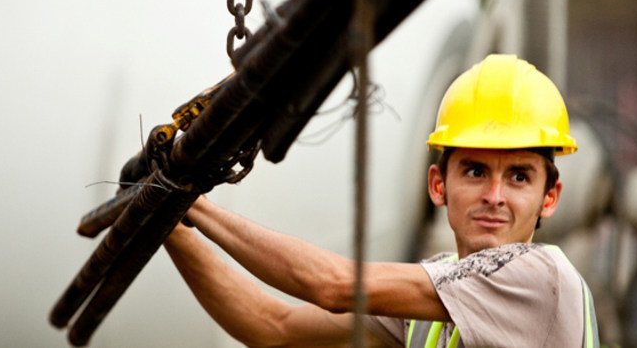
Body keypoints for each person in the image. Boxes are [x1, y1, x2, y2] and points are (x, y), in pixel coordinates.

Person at [164, 54, 599, 347]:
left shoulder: (541, 278)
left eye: (519, 177)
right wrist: (167, 224)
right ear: (437, 185)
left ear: (550, 197)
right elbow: (272, 327)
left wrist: (187, 202)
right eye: (475, 171)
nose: (494, 196)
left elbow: (333, 286)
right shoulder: (434, 295)